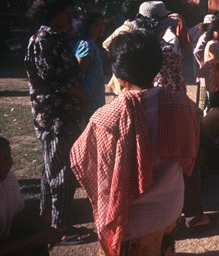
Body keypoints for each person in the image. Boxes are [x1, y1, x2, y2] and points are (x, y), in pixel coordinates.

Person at [70, 30, 200, 256]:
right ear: (157, 67)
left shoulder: (106, 118)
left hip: (134, 222)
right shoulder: (183, 105)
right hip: (170, 209)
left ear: (118, 75)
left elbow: (82, 161)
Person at [23, 0, 91, 243]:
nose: (69, 16)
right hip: (55, 117)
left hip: (64, 115)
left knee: (51, 167)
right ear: (50, 13)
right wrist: (83, 96)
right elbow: (57, 80)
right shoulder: (44, 40)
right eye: (65, 12)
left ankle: (47, 216)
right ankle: (61, 228)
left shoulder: (59, 38)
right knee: (62, 172)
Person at [0, 136, 62, 255]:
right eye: (2, 160)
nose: (8, 164)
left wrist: (46, 228)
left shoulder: (8, 178)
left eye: (8, 157)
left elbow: (20, 212)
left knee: (36, 238)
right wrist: (32, 240)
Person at [135, 1, 186, 94]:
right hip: (164, 100)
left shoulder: (132, 47)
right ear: (164, 28)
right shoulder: (170, 51)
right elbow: (178, 82)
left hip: (138, 100)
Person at [103, 0, 141, 95]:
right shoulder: (138, 29)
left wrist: (118, 54)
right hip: (132, 71)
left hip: (122, 70)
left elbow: (106, 44)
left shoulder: (121, 29)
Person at [73, 11, 106, 119]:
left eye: (102, 24)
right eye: (97, 24)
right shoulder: (86, 45)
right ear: (87, 25)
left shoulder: (92, 44)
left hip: (95, 98)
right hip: (89, 99)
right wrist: (83, 95)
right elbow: (78, 73)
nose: (100, 27)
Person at [192, 14, 216, 112]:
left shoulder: (206, 35)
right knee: (203, 99)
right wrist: (203, 62)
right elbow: (197, 51)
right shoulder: (205, 36)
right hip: (204, 70)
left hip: (203, 70)